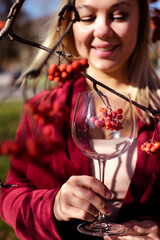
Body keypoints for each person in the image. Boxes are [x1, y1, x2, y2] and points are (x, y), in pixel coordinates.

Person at [0, 0, 160, 239]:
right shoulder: (44, 109)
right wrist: (52, 205)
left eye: (119, 15)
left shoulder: (156, 116)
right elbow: (10, 195)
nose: (103, 30)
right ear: (69, 25)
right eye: (86, 17)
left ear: (140, 23)